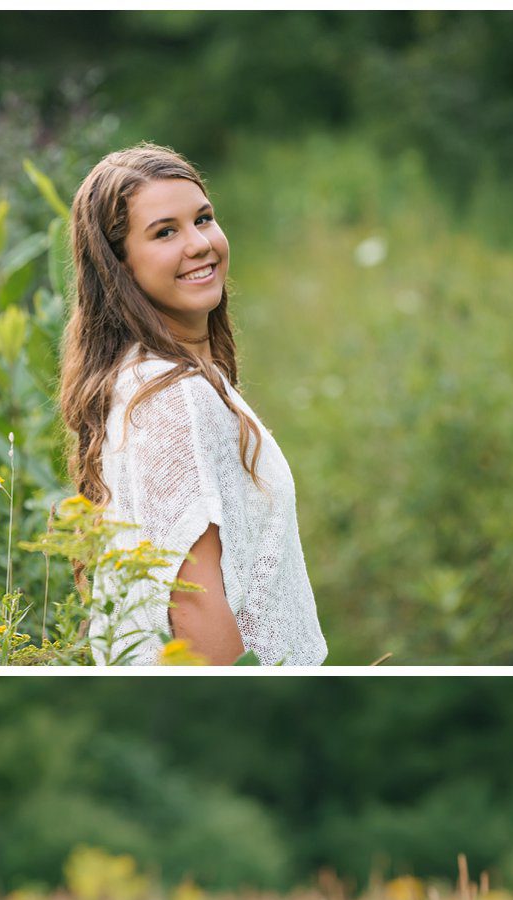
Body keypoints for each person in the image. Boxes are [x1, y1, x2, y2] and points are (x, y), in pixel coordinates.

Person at [59, 144, 325, 667]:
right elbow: (194, 606)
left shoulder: (165, 381)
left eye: (203, 219)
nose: (199, 244)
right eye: (165, 232)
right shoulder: (169, 396)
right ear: (120, 267)